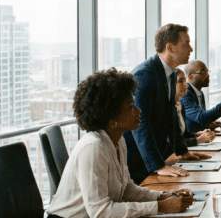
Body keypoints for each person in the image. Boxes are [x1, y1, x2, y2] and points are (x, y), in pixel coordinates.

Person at [46, 68, 195, 218]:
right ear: (112, 117)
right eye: (131, 106)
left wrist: (163, 197)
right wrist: (160, 207)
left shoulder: (118, 140)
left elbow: (127, 189)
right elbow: (100, 212)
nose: (138, 111)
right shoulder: (93, 147)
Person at [124, 24, 210, 184]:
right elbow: (140, 124)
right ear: (170, 48)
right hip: (137, 160)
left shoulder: (169, 74)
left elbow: (171, 118)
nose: (191, 49)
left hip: (152, 157)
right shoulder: (144, 75)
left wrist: (183, 151)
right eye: (186, 44)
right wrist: (158, 166)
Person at [175, 69, 215, 147]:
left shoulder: (180, 105)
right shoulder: (165, 109)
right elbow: (173, 143)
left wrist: (196, 135)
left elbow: (182, 136)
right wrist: (199, 140)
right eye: (180, 81)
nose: (186, 85)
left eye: (185, 81)